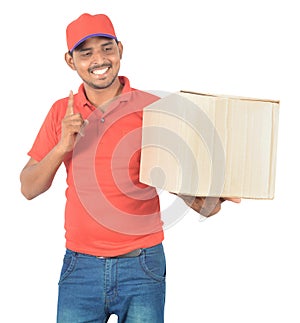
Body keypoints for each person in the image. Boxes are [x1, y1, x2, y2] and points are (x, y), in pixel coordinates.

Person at [20, 13, 240, 323]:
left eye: (107, 48)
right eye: (86, 52)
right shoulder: (61, 112)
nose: (99, 59)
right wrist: (62, 147)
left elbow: (193, 197)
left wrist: (211, 198)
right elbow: (29, 188)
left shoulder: (153, 108)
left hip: (142, 266)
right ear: (71, 61)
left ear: (120, 50)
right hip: (80, 268)